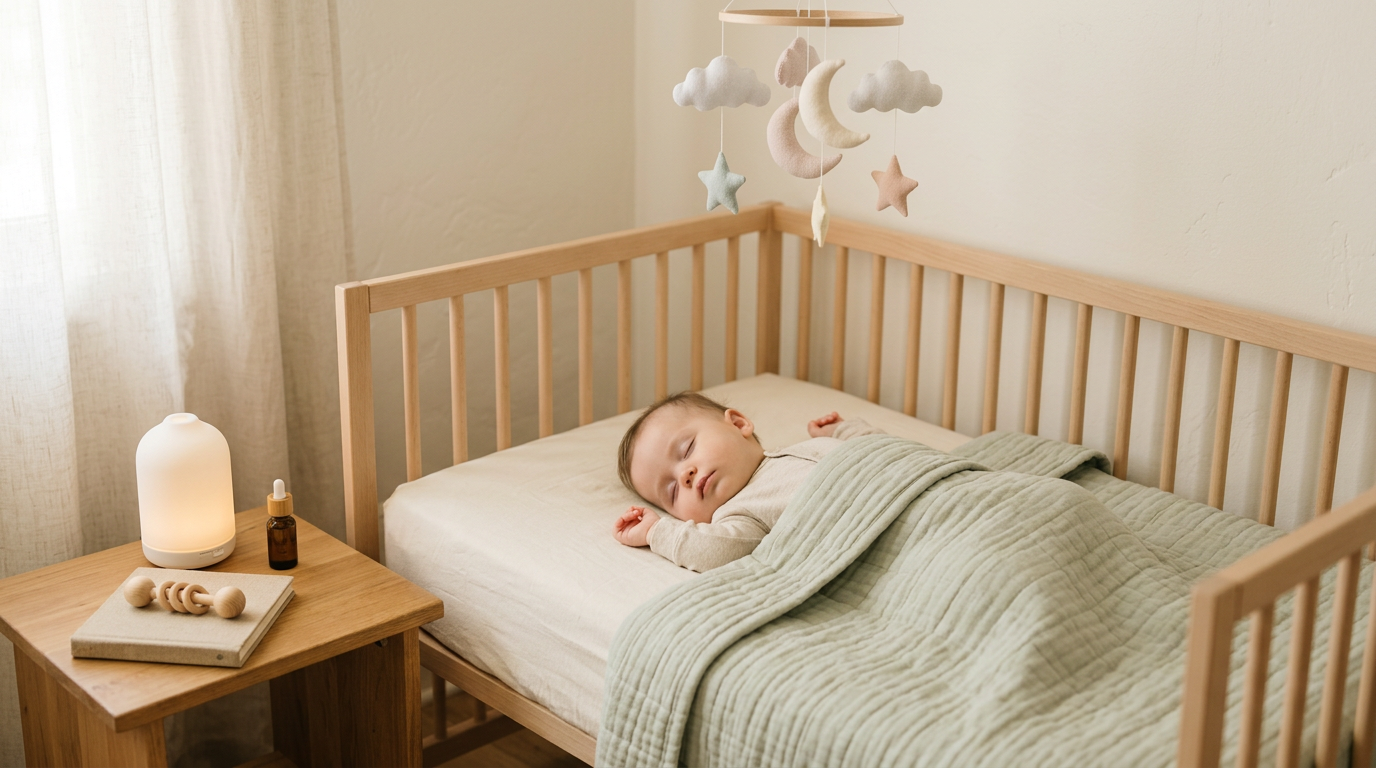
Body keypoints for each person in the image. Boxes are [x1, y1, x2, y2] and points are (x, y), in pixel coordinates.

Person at [613, 392, 882, 572]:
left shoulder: (807, 447)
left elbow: (882, 450)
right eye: (671, 492)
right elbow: (714, 550)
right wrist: (656, 532)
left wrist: (843, 431)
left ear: (739, 423)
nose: (684, 475)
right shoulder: (740, 514)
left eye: (687, 449)